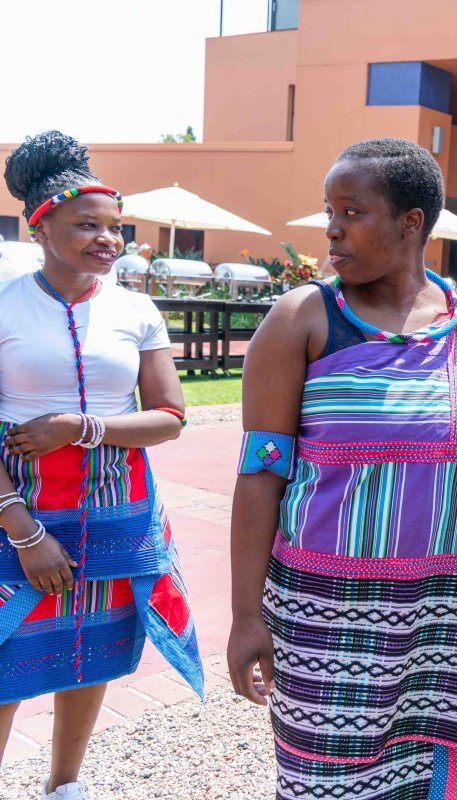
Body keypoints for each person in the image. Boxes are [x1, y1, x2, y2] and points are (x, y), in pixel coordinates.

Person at [226, 138, 457, 800]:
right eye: (329, 210)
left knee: (422, 780)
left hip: (440, 616)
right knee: (322, 781)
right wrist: (246, 616)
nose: (332, 228)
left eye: (352, 211)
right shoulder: (303, 318)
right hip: (325, 614)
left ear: (410, 222)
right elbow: (260, 476)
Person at [0, 131, 202, 800]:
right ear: (41, 226)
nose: (107, 239)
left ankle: (64, 785)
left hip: (115, 515)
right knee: (5, 657)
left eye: (115, 227)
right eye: (87, 225)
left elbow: (169, 417)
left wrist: (78, 427)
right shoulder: (4, 304)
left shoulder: (136, 309)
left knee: (89, 651)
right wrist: (23, 531)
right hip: (15, 508)